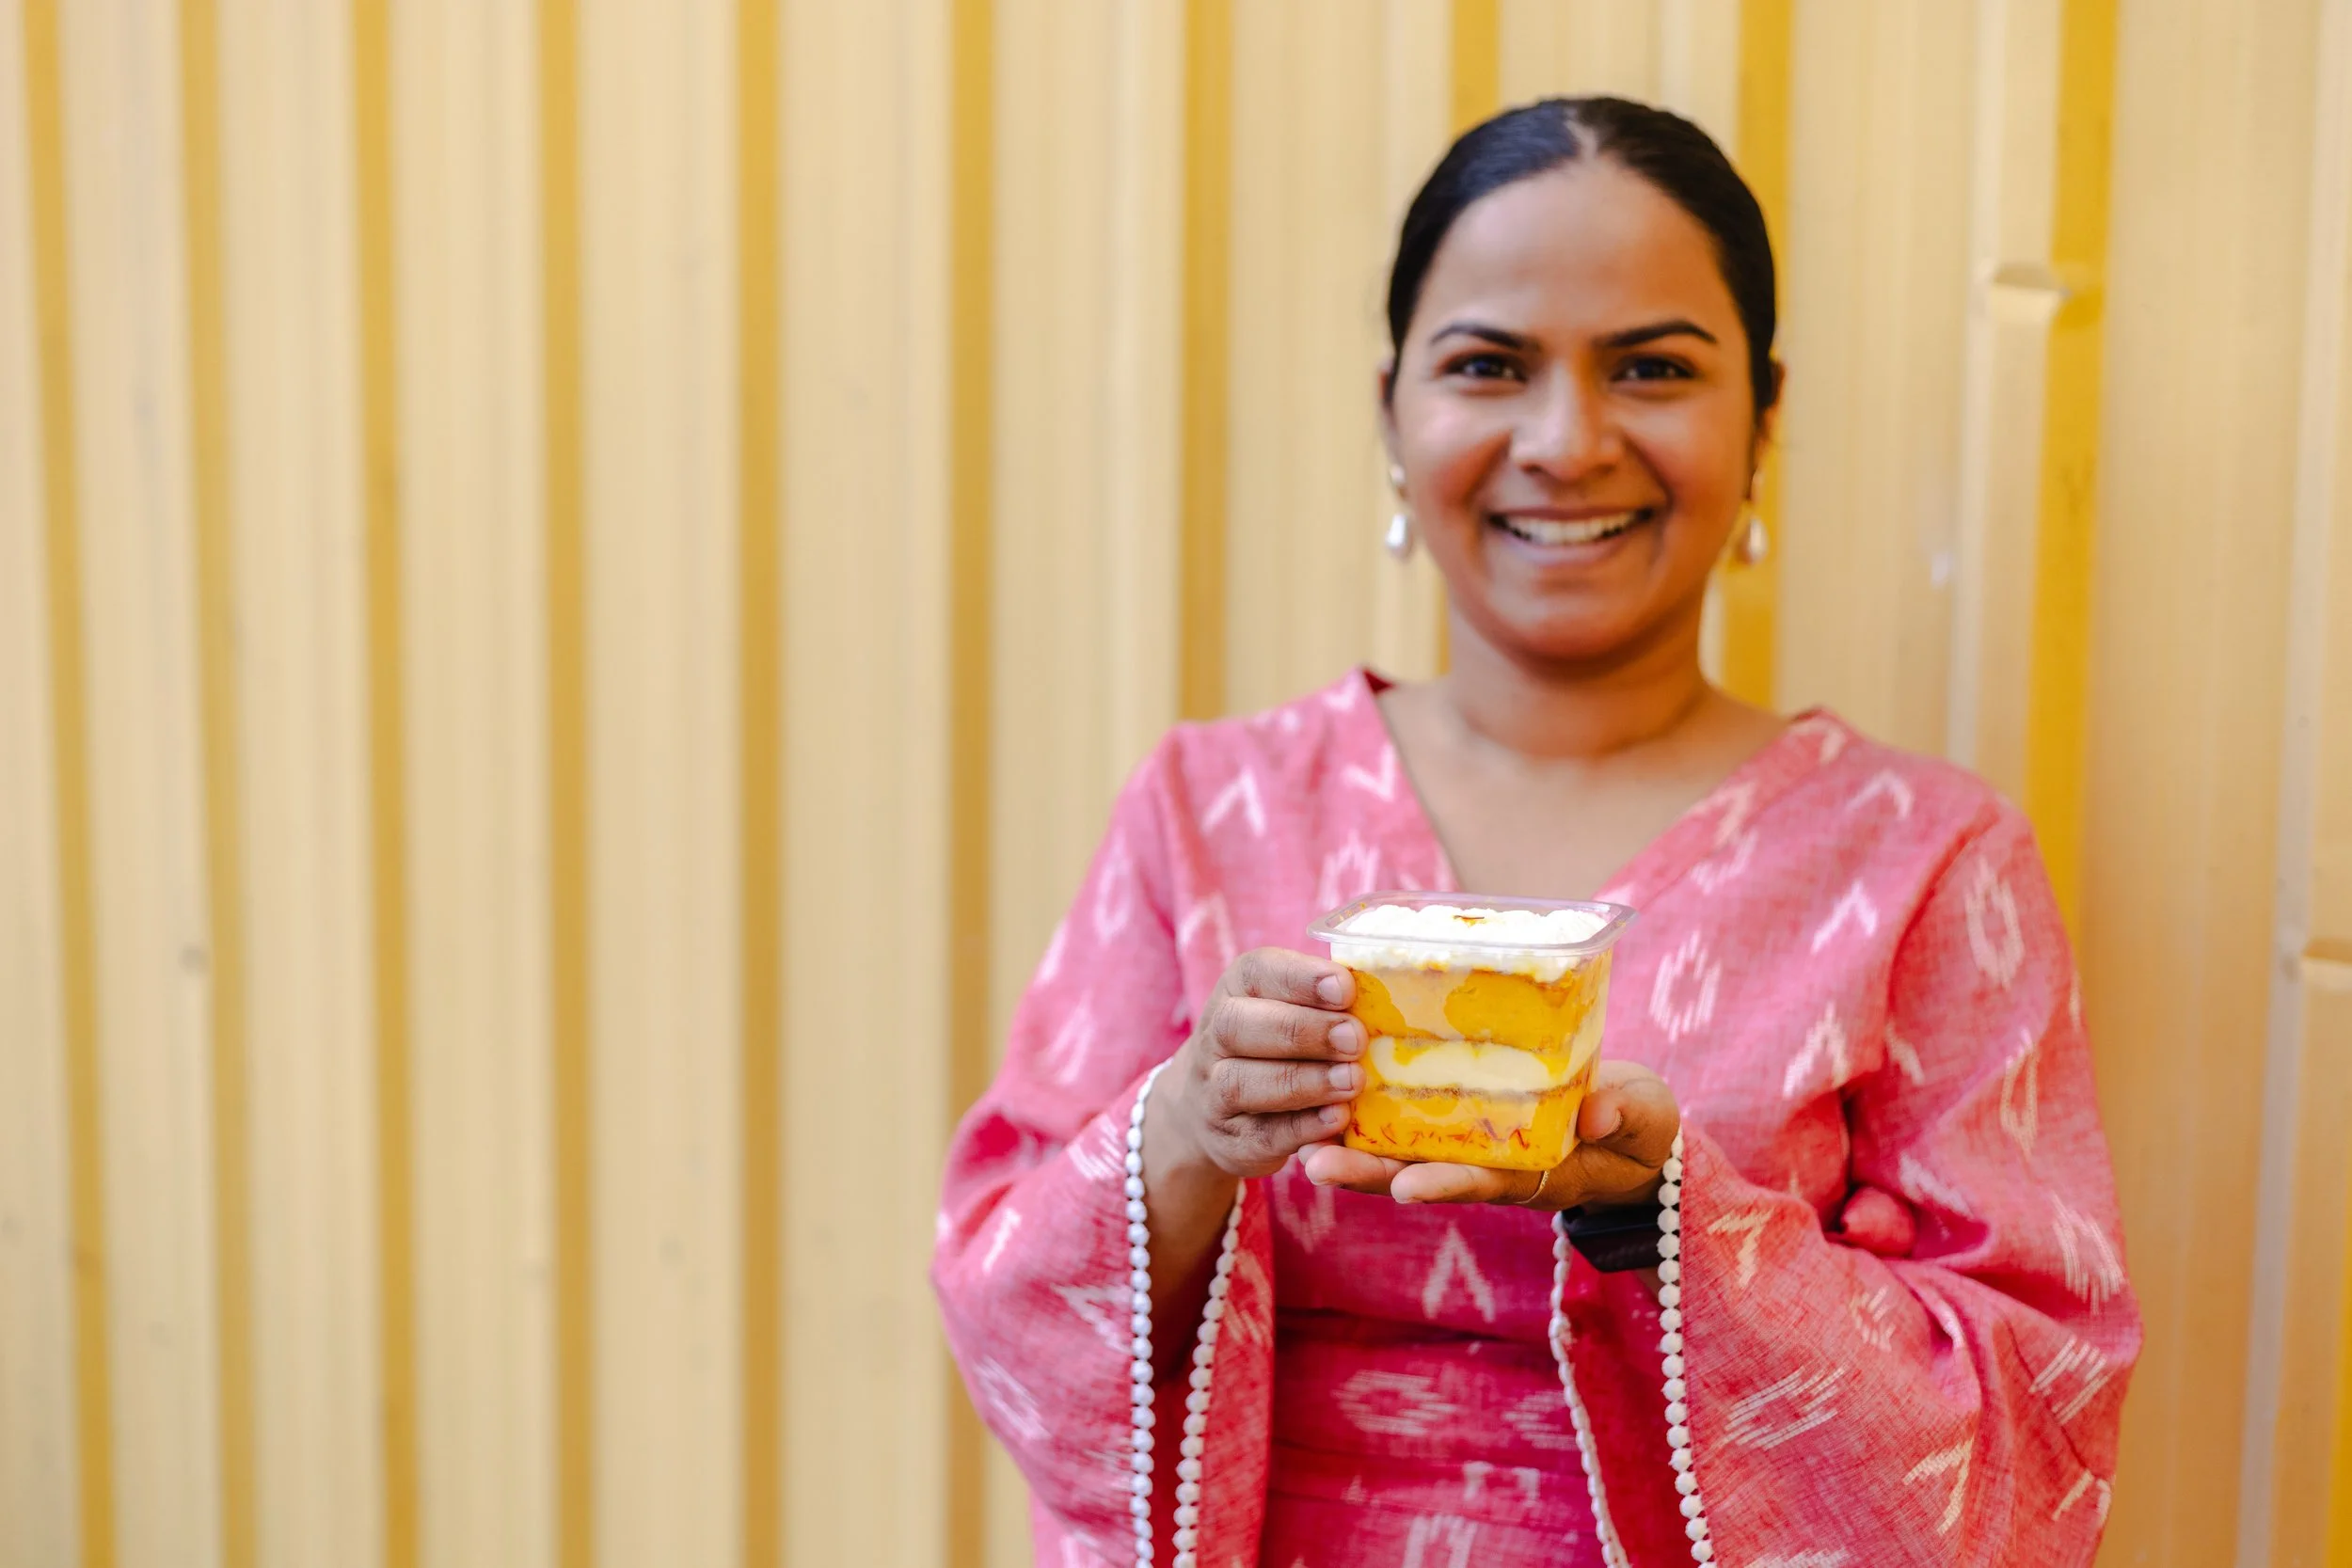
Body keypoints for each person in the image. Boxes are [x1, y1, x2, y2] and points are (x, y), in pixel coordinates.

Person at [933, 96, 2137, 1568]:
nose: (1566, 442)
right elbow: (1001, 1310)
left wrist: (1665, 1219)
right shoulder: (1206, 812)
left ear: (1761, 415)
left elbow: (2039, 1415)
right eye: (1489, 367)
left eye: (1651, 368)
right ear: (1394, 412)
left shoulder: (1926, 862)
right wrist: (1184, 1132)